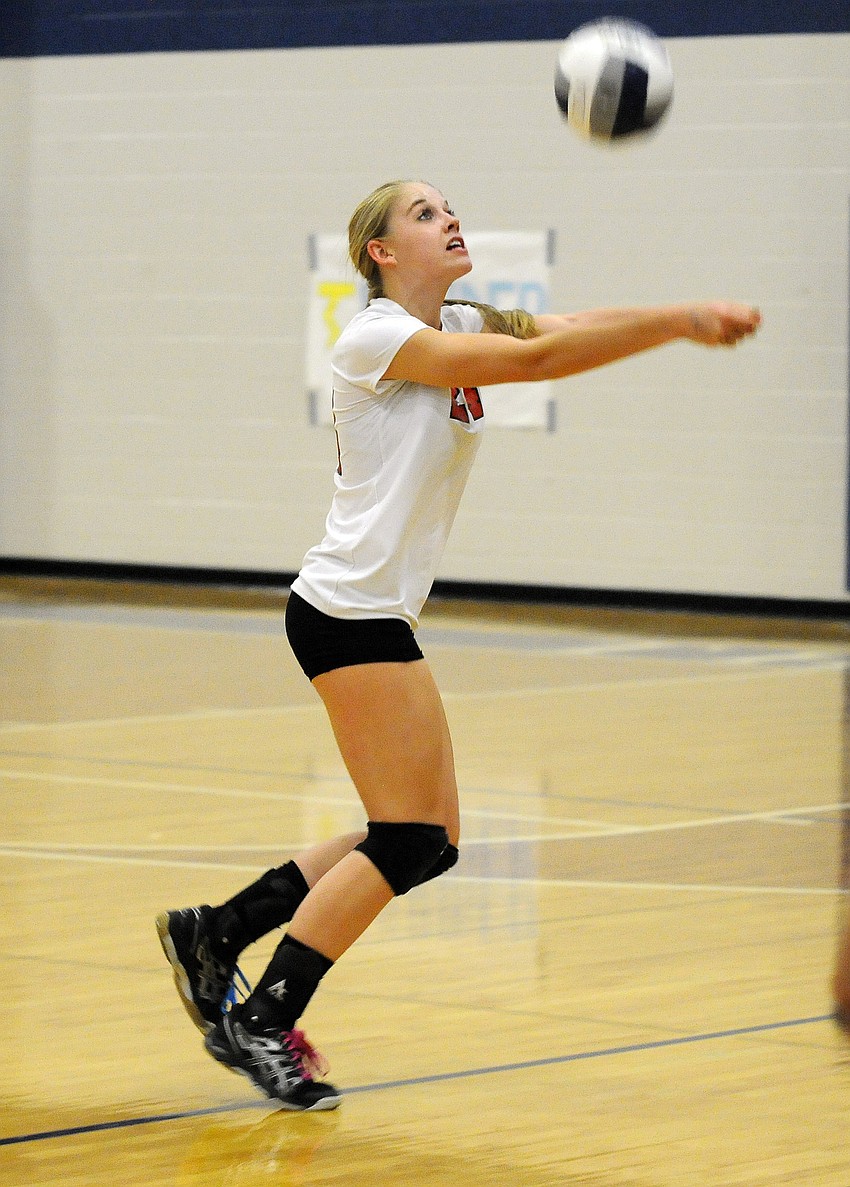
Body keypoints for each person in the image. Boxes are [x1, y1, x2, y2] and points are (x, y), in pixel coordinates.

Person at [157, 178, 761, 1111]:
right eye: (426, 214)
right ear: (381, 253)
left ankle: (217, 930)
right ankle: (264, 1016)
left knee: (427, 843)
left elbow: (564, 325)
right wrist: (680, 321)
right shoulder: (376, 337)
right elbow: (537, 362)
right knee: (409, 836)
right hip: (347, 610)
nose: (450, 219)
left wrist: (672, 317)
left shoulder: (468, 316)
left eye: (450, 208)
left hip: (371, 612)